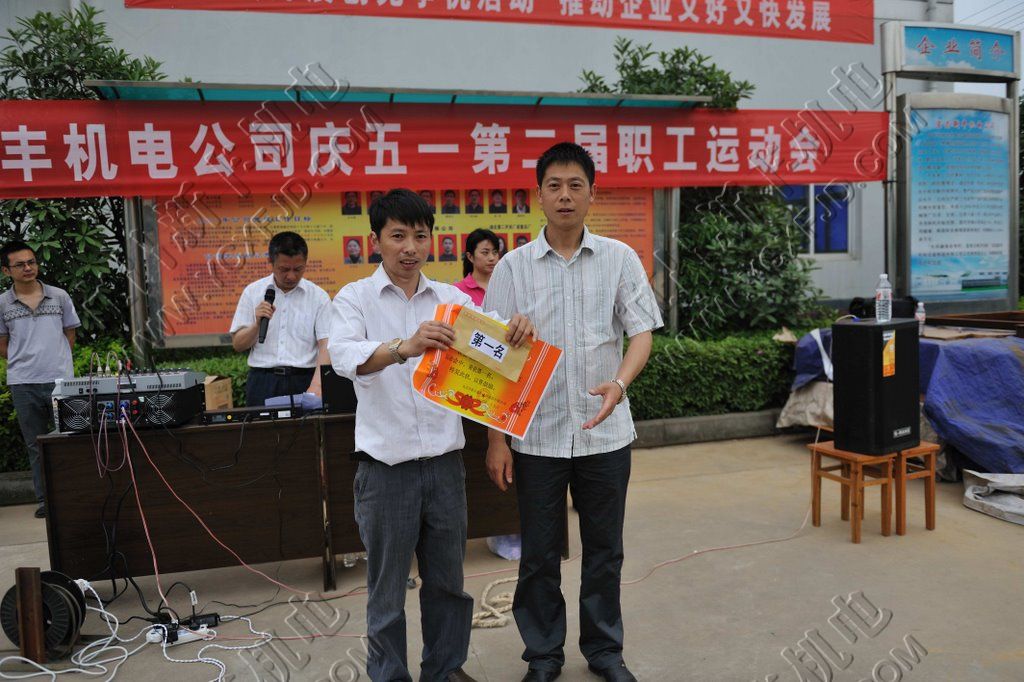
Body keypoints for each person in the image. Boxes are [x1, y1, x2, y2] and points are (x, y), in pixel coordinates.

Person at [329, 189, 535, 682]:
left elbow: (499, 347)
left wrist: (517, 330)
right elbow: (344, 356)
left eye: (420, 236)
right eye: (398, 236)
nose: (410, 248)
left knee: (448, 584)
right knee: (386, 591)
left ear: (431, 241)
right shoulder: (354, 298)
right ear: (376, 240)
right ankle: (389, 675)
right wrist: (404, 347)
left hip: (444, 468)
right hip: (385, 471)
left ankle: (445, 670)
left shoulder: (451, 301)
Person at [484, 143, 662, 682]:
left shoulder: (619, 258)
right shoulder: (513, 268)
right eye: (554, 186)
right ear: (538, 195)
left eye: (575, 185)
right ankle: (543, 655)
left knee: (605, 549)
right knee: (538, 554)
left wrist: (620, 384)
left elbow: (642, 332)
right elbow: (489, 358)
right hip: (536, 436)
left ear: (591, 193)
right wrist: (496, 440)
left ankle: (604, 650)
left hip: (605, 435)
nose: (565, 195)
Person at [0, 241, 80, 519]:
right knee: (35, 445)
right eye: (20, 264)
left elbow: (70, 334)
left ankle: (73, 496)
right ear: (6, 271)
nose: (28, 268)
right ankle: (46, 500)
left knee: (68, 440)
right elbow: (2, 344)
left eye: (31, 262)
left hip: (61, 382)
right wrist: (25, 361)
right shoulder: (2, 303)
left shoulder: (59, 296)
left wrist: (58, 362)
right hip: (23, 383)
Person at [230, 231, 331, 407]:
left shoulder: (319, 297)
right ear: (271, 262)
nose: (291, 276)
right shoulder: (252, 292)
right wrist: (256, 325)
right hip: (262, 381)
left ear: (305, 263)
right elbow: (238, 344)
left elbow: (326, 345)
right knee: (260, 426)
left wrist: (317, 386)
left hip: (304, 380)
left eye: (298, 269)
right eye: (284, 269)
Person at [453, 229, 500, 306]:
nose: (492, 258)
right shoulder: (457, 291)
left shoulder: (505, 287)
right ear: (470, 256)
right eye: (485, 252)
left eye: (495, 252)